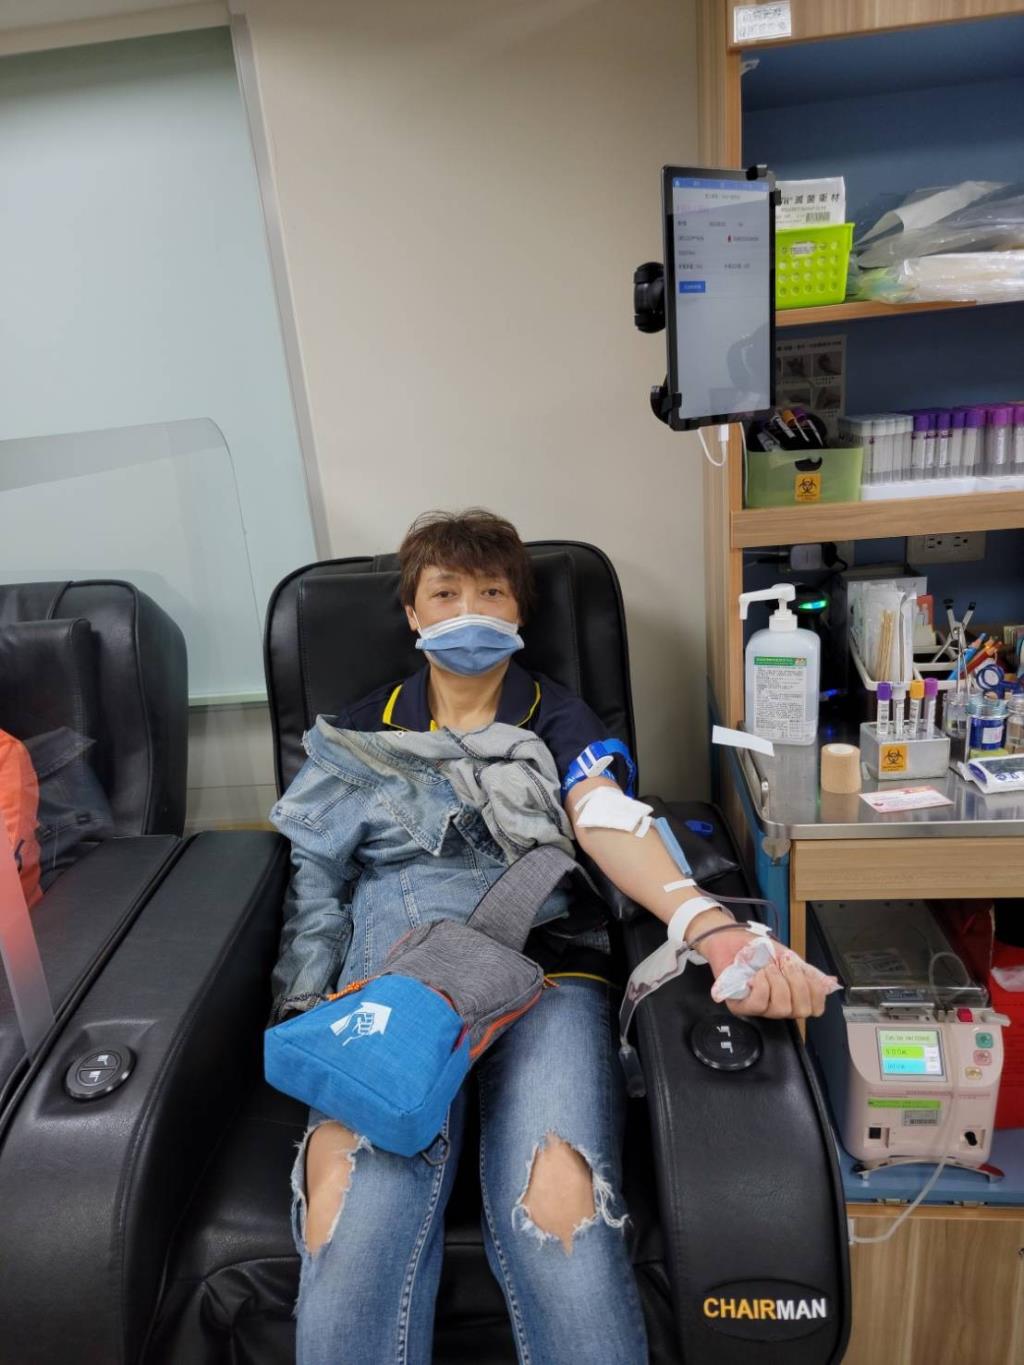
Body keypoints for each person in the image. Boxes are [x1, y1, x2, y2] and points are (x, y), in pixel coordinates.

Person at [269, 509, 831, 1365]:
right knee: (349, 1209)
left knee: (559, 1207)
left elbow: (604, 817)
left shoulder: (562, 721)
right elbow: (315, 878)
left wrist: (708, 924)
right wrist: (306, 1001)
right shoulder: (358, 733)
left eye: (491, 592)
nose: (469, 610)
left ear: (520, 611)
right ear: (413, 613)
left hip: (547, 971)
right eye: (445, 593)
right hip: (394, 978)